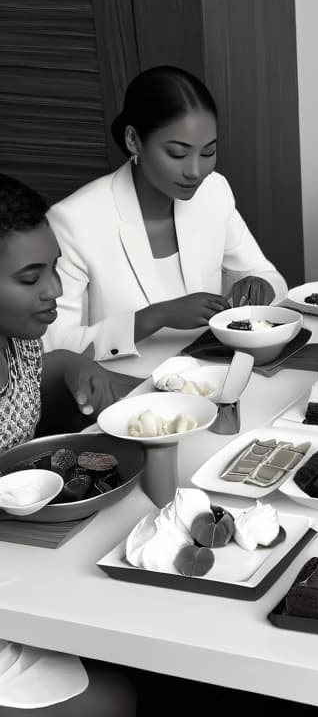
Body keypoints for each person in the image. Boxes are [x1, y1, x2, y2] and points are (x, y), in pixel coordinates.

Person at [0, 173, 135, 715]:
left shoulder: (19, 343)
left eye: (52, 268)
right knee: (114, 699)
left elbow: (43, 371)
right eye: (31, 277)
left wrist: (78, 364)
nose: (54, 290)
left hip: (24, 570)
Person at [43, 66, 287, 362]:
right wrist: (153, 317)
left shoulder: (214, 192)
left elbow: (269, 277)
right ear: (133, 140)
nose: (195, 171)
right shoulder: (74, 220)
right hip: (126, 390)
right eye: (177, 154)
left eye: (208, 152)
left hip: (213, 371)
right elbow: (54, 346)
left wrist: (259, 284)